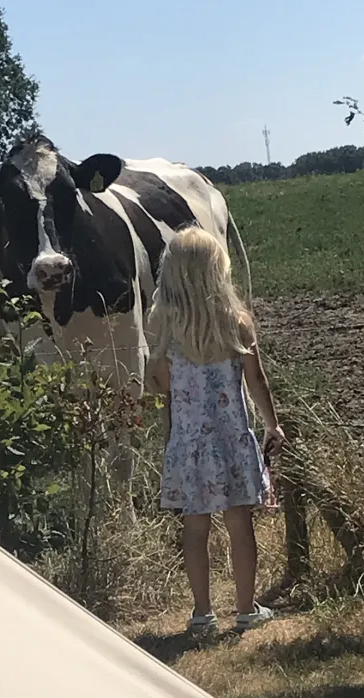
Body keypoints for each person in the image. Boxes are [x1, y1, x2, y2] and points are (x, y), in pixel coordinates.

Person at [146, 225, 285, 635]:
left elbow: (160, 385)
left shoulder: (166, 328)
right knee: (240, 524)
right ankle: (246, 609)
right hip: (232, 441)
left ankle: (202, 613)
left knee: (195, 529)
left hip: (189, 445)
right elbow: (256, 379)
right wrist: (271, 423)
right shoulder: (237, 323)